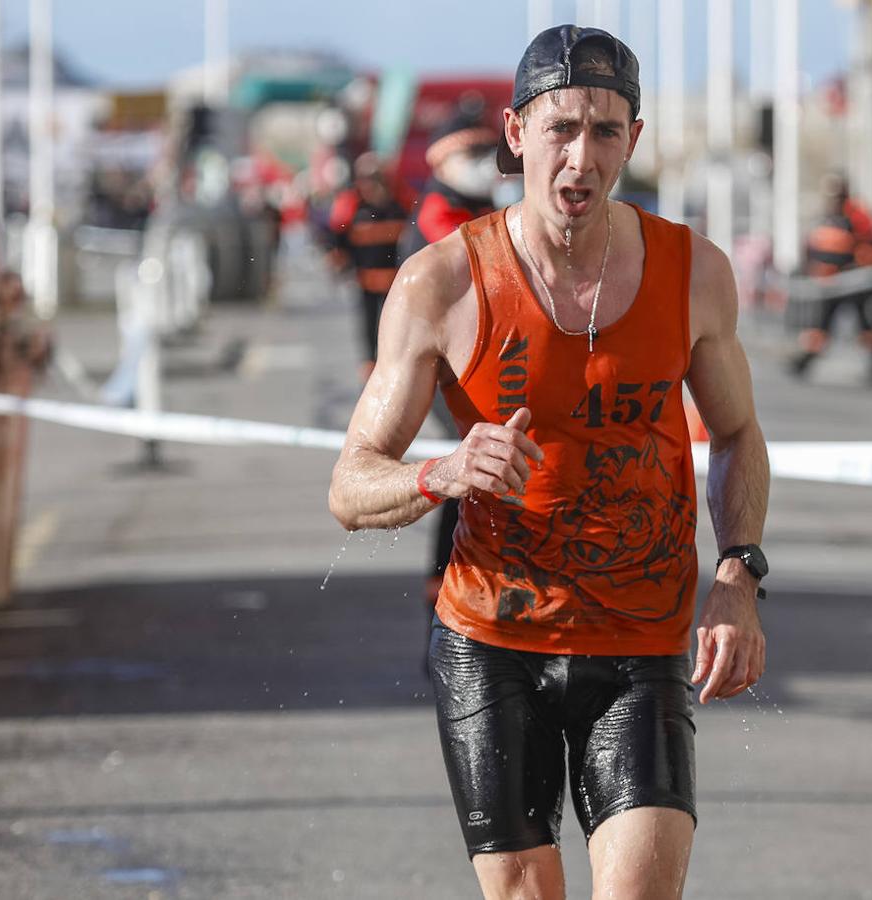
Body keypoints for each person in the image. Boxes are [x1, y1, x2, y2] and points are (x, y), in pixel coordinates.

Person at [328, 24, 770, 899]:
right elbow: (350, 482)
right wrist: (439, 474)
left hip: (641, 642)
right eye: (561, 128)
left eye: (606, 131)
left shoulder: (695, 273)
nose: (581, 156)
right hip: (493, 643)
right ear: (517, 131)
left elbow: (739, 435)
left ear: (633, 141)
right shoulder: (442, 283)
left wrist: (739, 571)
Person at [395, 110, 500, 618]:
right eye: (472, 154)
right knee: (467, 475)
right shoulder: (440, 212)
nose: (485, 164)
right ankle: (445, 593)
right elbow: (489, 263)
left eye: (489, 153)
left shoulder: (477, 205)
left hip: (478, 365)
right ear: (443, 160)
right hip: (445, 371)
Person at [788, 175, 872, 383]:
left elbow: (869, 248)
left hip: (853, 283)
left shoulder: (858, 216)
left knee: (865, 325)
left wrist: (857, 267)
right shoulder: (828, 215)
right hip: (831, 284)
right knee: (821, 324)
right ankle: (806, 360)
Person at [328, 152, 411, 383]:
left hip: (396, 280)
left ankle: (394, 362)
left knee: (396, 323)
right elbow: (338, 236)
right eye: (366, 178)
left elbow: (415, 230)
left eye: (375, 178)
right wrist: (339, 260)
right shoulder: (353, 207)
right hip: (366, 279)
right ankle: (369, 363)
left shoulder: (399, 204)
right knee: (368, 321)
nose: (371, 184)